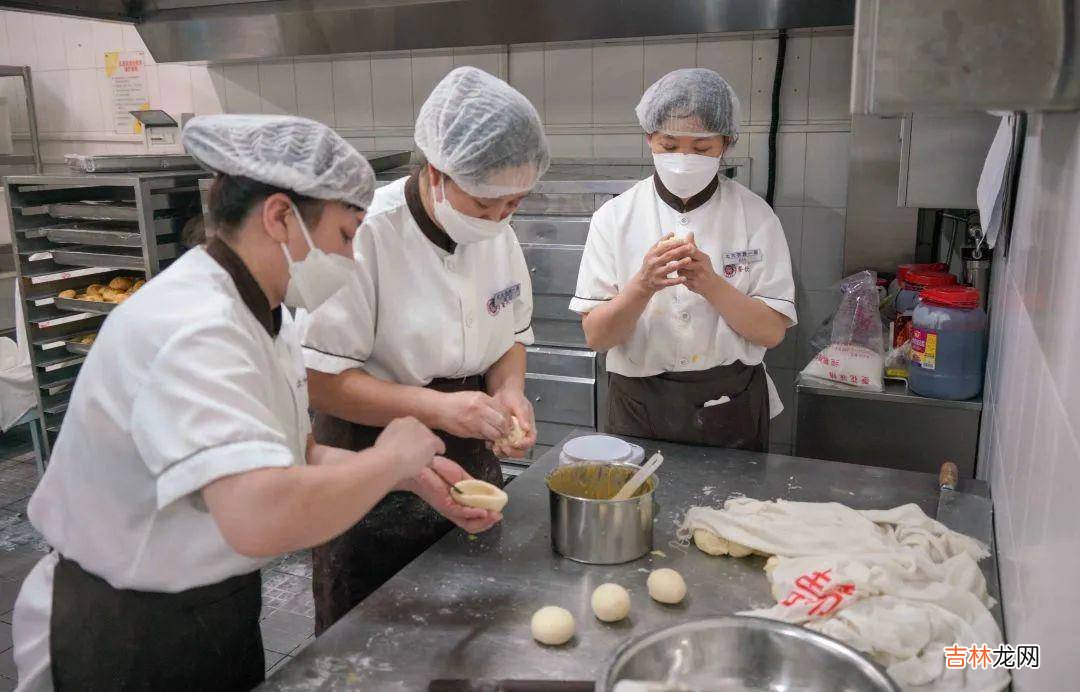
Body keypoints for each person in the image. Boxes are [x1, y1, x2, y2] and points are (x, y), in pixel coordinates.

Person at [11, 114, 499, 691]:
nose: (350, 258)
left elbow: (298, 456)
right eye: (346, 236)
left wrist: (415, 477)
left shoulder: (264, 318)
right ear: (278, 217)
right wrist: (388, 456)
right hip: (126, 628)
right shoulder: (193, 328)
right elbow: (258, 517)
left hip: (213, 608)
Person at [300, 66, 549, 633]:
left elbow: (509, 334)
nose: (499, 219)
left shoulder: (497, 233)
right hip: (367, 461)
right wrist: (436, 409)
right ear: (438, 173)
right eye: (486, 205)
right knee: (368, 637)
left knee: (470, 627)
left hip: (469, 453)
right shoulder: (363, 234)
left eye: (513, 205)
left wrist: (509, 393)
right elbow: (321, 380)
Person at [570, 68, 797, 451]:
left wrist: (711, 283)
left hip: (730, 402)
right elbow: (597, 336)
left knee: (735, 509)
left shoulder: (755, 216)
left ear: (726, 143)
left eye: (702, 147)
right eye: (669, 145)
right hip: (638, 403)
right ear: (649, 139)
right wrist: (642, 285)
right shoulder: (614, 217)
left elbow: (771, 333)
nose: (684, 158)